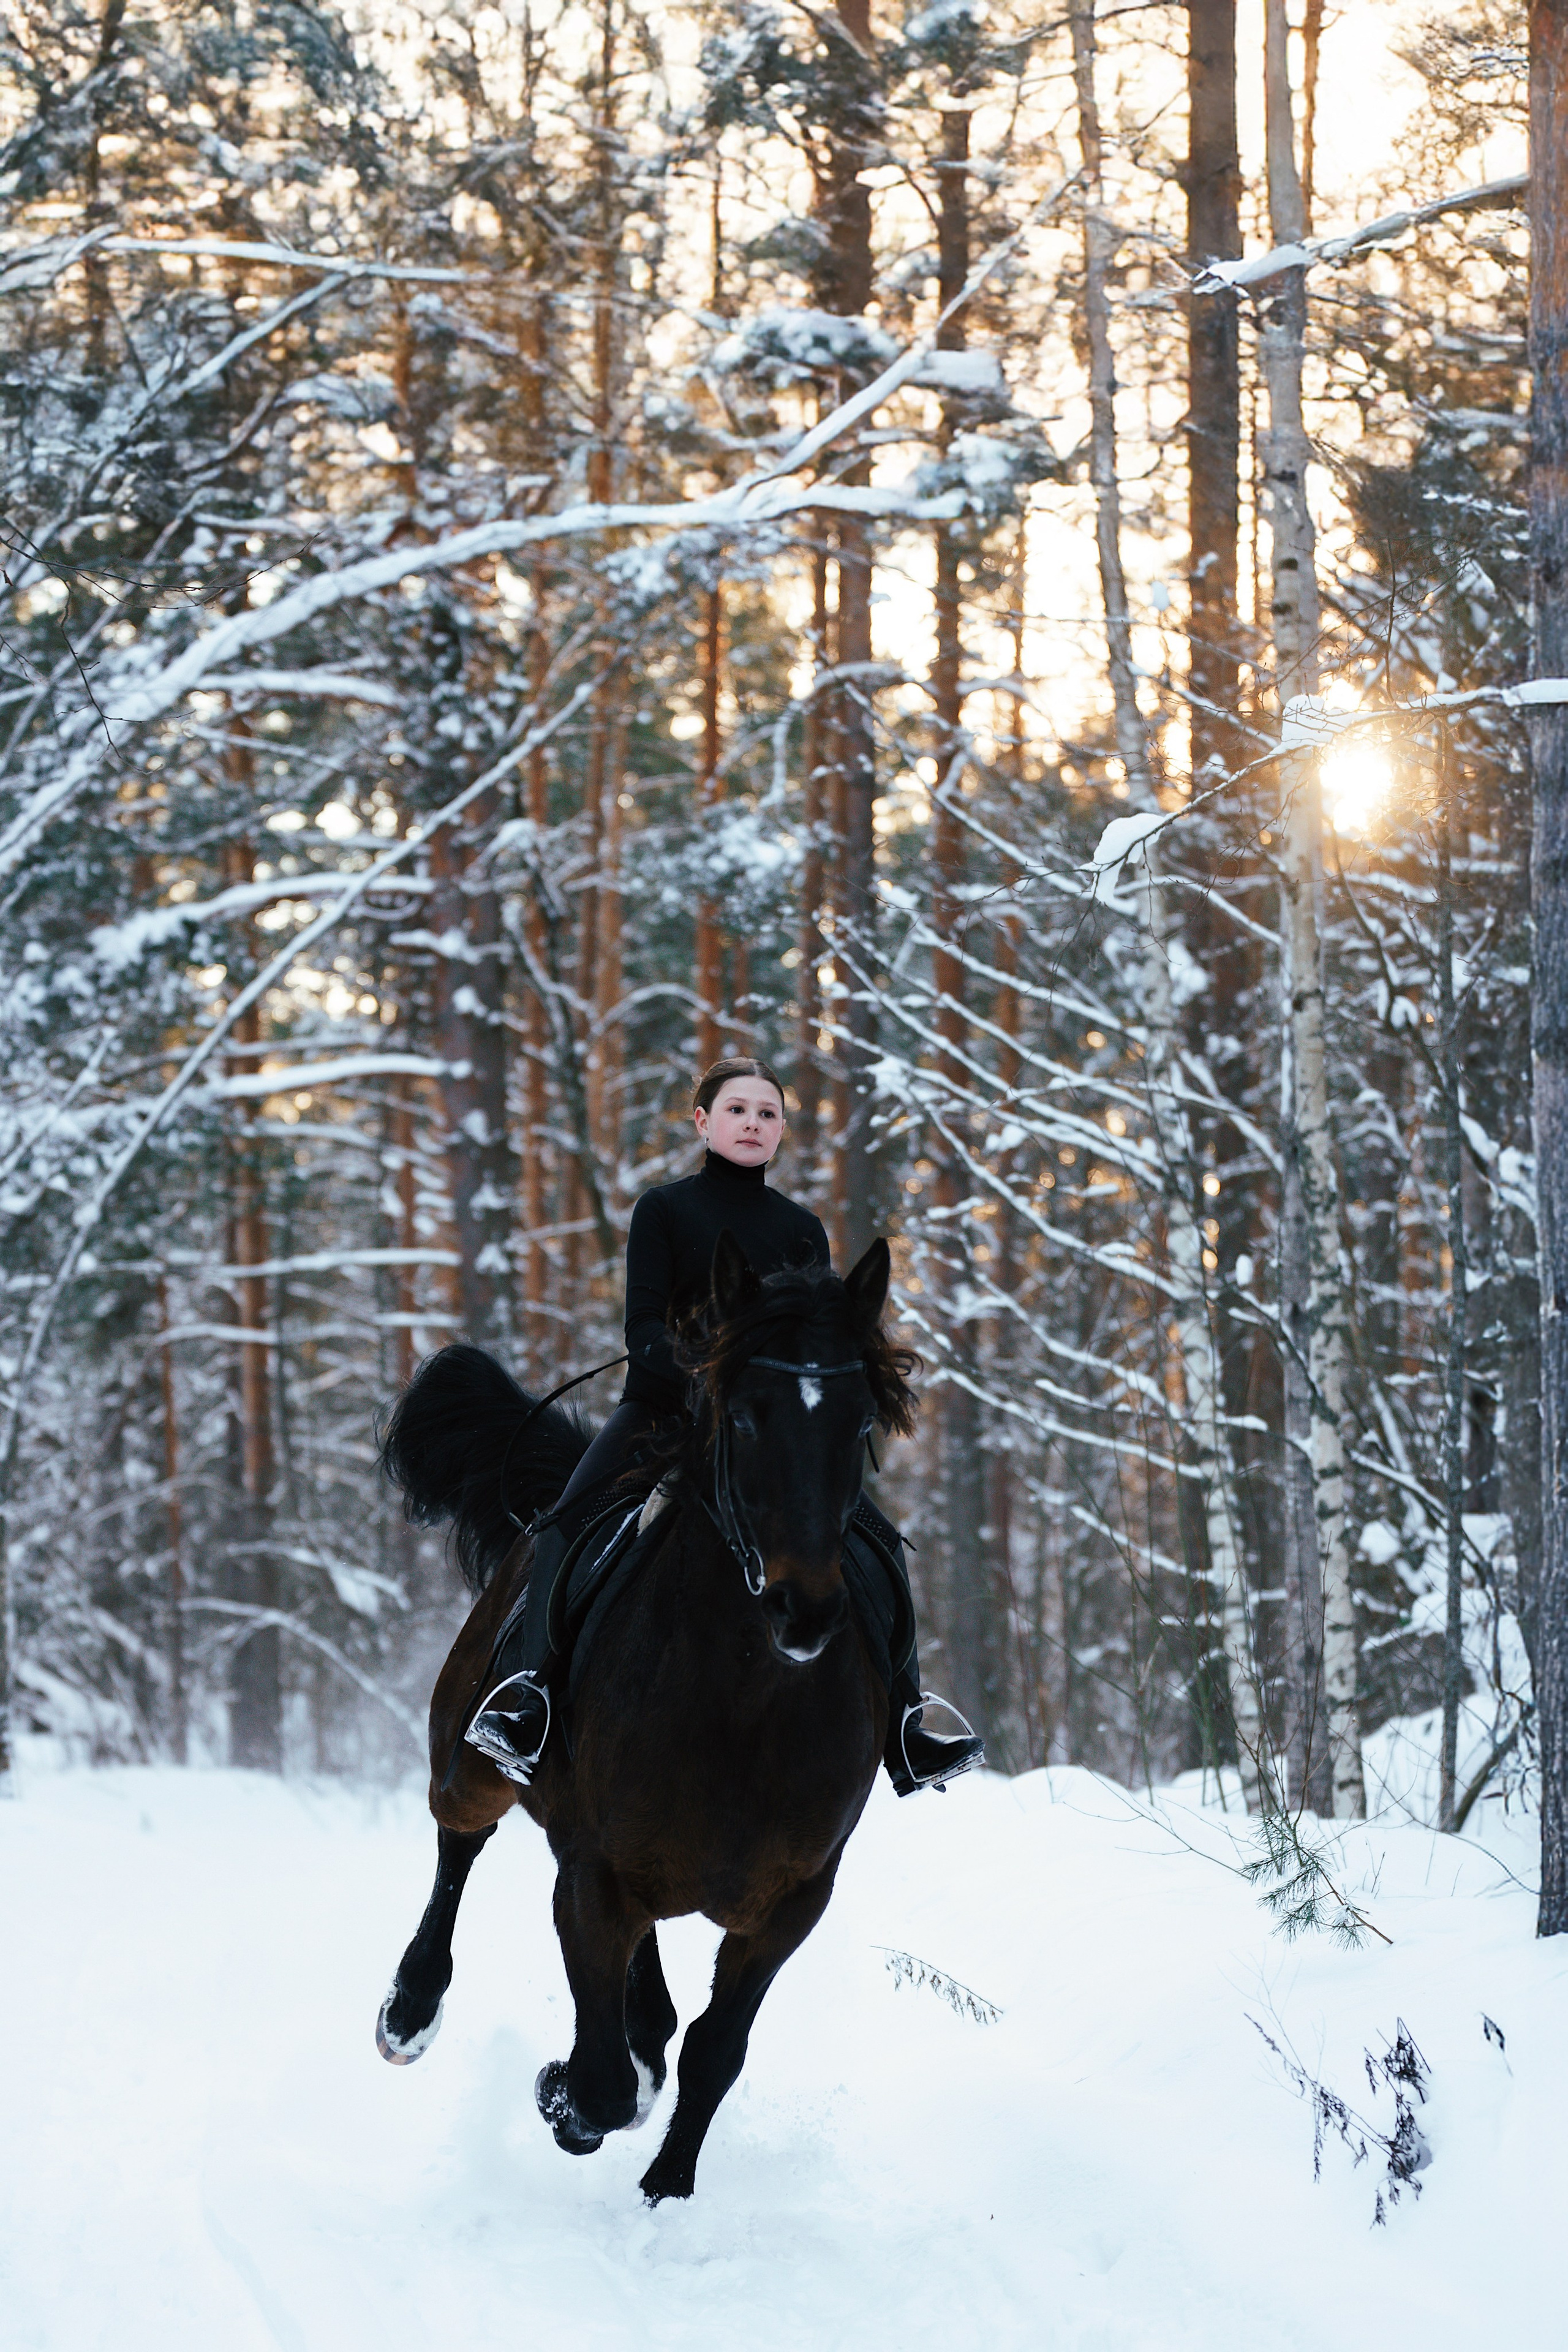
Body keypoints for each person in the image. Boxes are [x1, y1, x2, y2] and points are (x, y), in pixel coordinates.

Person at [466, 1057, 984, 1796]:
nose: (753, 1123)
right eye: (737, 1110)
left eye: (767, 1114)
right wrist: (709, 1377)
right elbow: (641, 1322)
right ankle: (532, 1701)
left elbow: (815, 1337)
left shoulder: (801, 1228)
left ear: (781, 1133)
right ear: (704, 1122)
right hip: (658, 1414)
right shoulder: (665, 1209)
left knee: (878, 1547)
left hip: (766, 1437)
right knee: (564, 1525)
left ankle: (906, 1728)